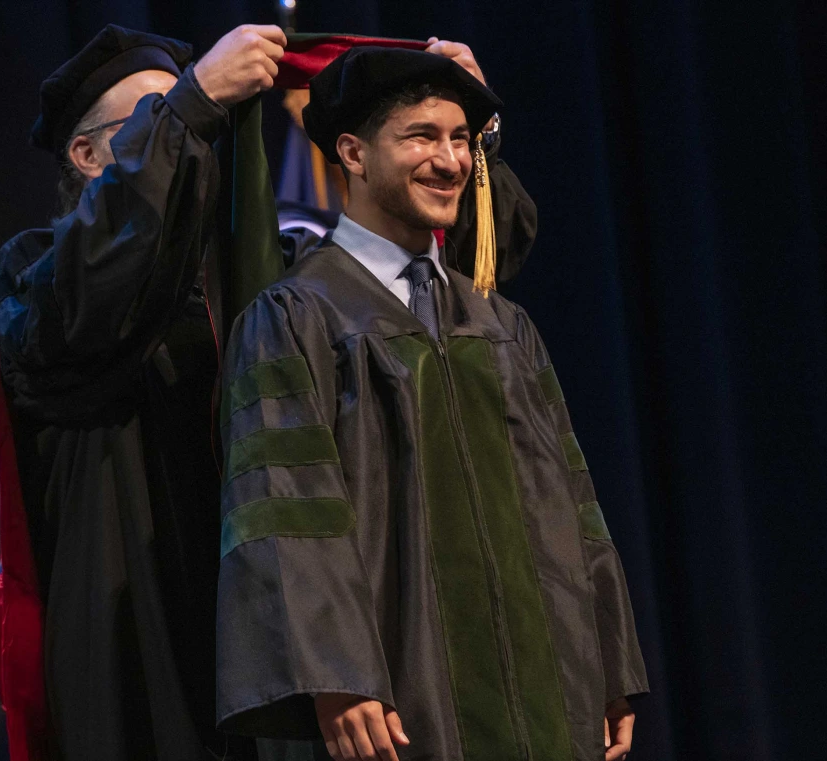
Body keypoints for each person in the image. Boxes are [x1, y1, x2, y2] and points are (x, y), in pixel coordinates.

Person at [0, 23, 539, 761]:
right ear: (86, 155)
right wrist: (196, 103)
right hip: (134, 630)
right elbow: (104, 282)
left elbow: (441, 287)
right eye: (159, 115)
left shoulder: (271, 274)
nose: (186, 130)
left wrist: (461, 129)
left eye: (188, 116)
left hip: (278, 638)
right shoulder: (39, 275)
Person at [215, 47, 649, 761]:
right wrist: (335, 674)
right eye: (422, 136)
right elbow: (286, 505)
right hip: (390, 699)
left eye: (460, 139)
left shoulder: (501, 324)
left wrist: (610, 658)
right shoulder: (296, 317)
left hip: (544, 690)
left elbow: (572, 502)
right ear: (352, 154)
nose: (449, 161)